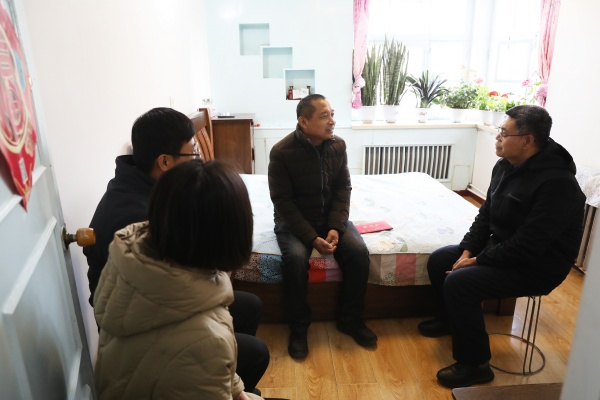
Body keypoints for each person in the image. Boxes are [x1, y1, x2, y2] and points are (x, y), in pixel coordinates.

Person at [84, 107, 268, 394]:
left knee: (249, 306)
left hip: (144, 309)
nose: (198, 160)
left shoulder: (138, 188)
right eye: (193, 153)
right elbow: (178, 289)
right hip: (147, 320)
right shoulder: (138, 215)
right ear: (165, 161)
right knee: (254, 349)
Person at [418, 105, 585, 388]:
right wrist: (468, 250)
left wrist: (477, 262)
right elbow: (486, 216)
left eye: (504, 133)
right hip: (505, 247)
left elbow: (529, 244)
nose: (497, 137)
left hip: (538, 265)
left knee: (460, 282)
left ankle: (475, 365)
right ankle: (450, 321)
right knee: (440, 260)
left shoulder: (558, 184)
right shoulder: (506, 166)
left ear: (528, 140)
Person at [268, 94, 377, 359]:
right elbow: (282, 202)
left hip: (330, 217)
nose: (332, 121)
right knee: (295, 260)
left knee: (358, 253)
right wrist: (311, 238)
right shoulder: (281, 152)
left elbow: (343, 189)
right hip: (294, 220)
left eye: (332, 114)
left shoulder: (338, 145)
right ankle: (299, 328)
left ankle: (350, 319)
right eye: (324, 116)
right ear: (303, 122)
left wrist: (335, 227)